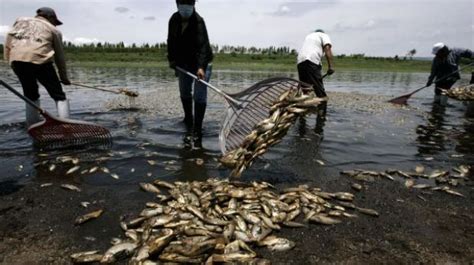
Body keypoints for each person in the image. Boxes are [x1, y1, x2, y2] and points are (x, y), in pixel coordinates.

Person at [4, 7, 71, 127]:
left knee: (30, 95)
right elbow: (59, 57)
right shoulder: (54, 30)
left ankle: (32, 125)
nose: (55, 24)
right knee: (59, 95)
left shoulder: (20, 21)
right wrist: (63, 77)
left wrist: (11, 63)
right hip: (40, 60)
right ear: (50, 17)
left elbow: (8, 43)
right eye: (54, 21)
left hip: (17, 60)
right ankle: (67, 126)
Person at [167, 0, 213, 148]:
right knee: (184, 91)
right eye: (182, 3)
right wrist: (172, 60)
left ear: (193, 4)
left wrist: (201, 67)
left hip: (202, 62)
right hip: (183, 63)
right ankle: (188, 120)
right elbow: (171, 41)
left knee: (199, 95)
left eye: (188, 3)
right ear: (177, 4)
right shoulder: (174, 19)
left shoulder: (199, 21)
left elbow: (203, 46)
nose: (185, 7)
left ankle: (198, 129)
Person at [297, 29, 335, 99]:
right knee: (319, 90)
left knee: (305, 89)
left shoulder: (308, 36)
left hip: (300, 61)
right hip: (311, 60)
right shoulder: (323, 35)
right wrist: (331, 66)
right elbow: (327, 48)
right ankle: (322, 108)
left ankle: (305, 107)